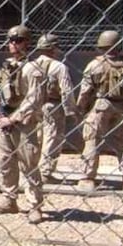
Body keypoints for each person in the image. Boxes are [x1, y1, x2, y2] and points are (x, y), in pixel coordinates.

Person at [0, 25, 46, 224]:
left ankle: (34, 205)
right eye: (11, 40)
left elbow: (34, 99)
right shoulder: (6, 66)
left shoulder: (32, 68)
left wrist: (13, 118)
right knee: (5, 162)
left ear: (27, 43)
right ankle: (9, 199)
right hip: (3, 118)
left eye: (18, 40)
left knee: (29, 163)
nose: (13, 44)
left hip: (23, 121)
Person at [77, 29, 123, 192]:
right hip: (122, 105)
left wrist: (81, 108)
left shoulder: (95, 65)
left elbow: (85, 90)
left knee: (92, 138)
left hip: (101, 103)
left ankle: (88, 178)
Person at [32, 33, 77, 183]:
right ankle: (45, 172)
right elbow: (66, 90)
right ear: (54, 48)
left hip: (33, 105)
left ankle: (32, 170)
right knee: (52, 138)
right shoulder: (59, 67)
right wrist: (70, 110)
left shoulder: (30, 66)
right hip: (53, 105)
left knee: (36, 138)